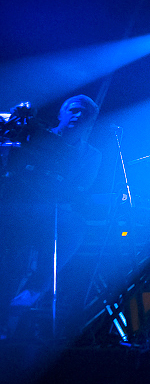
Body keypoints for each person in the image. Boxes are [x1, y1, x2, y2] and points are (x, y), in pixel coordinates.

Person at [4, 95, 102, 310]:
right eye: (74, 110)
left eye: (85, 114)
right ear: (61, 113)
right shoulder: (36, 135)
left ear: (91, 122)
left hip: (51, 211)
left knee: (75, 227)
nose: (78, 115)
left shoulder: (92, 155)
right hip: (17, 204)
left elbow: (79, 189)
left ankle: (36, 289)